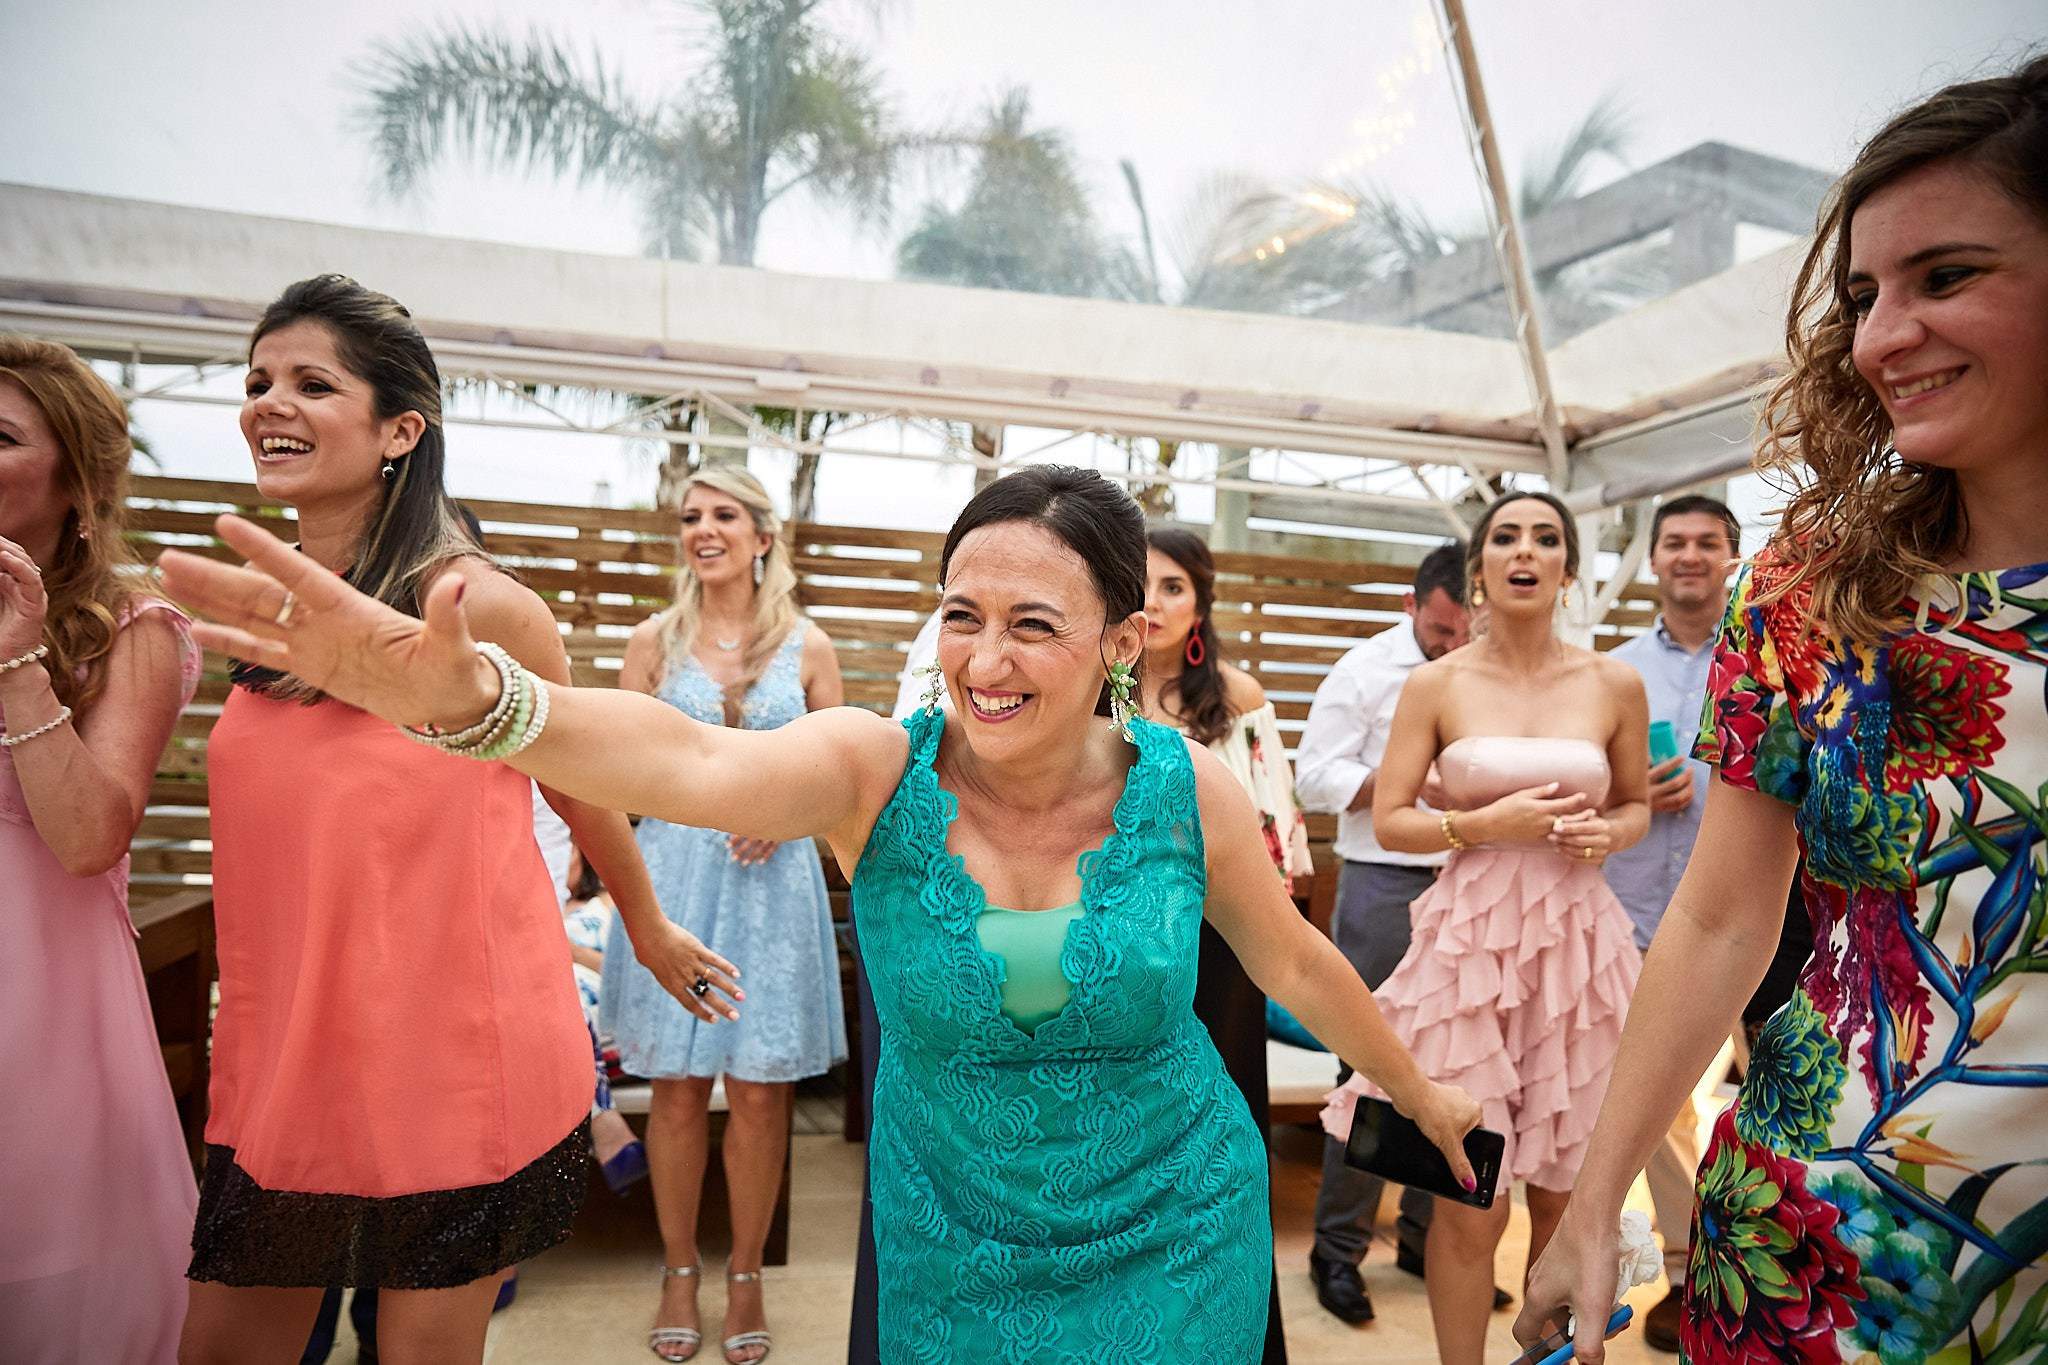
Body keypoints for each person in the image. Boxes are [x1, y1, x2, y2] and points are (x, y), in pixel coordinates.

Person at [159, 462, 1486, 1362]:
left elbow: (1295, 958)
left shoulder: (1184, 789)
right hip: (951, 1244)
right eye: (961, 614)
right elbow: (680, 760)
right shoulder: (874, 769)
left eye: (1034, 624)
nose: (984, 659)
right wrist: (482, 703)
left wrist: (1416, 1092)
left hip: (1177, 1223)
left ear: (1122, 644)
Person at [1516, 55, 2048, 1365]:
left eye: (1947, 276)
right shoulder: (1817, 591)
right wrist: (1596, 1201)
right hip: (1822, 1236)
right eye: (1866, 296)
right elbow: (1721, 910)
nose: (1880, 337)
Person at [177, 275, 727, 1365]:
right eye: (256, 381)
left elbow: (580, 783)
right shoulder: (264, 612)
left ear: (399, 429)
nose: (267, 403)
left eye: (310, 383)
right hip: (290, 1054)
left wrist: (650, 928)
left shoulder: (483, 606)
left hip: (447, 1054)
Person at [1320, 489, 1650, 1365]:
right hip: (1468, 953)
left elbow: (1635, 810)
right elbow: (1389, 819)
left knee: (1568, 1196)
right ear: (1480, 569)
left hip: (1579, 952)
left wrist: (1605, 832)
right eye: (1506, 536)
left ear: (1568, 570)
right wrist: (1482, 825)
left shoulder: (1614, 681)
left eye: (1545, 537)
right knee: (1469, 1189)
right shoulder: (1437, 683)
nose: (1525, 550)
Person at [605, 464, 846, 1364]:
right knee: (674, 1090)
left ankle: (745, 1273)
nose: (703, 528)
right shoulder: (650, 644)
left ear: (762, 534)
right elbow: (617, 771)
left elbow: (843, 779)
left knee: (758, 1094)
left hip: (774, 891)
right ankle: (678, 1269)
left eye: (723, 514)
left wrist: (784, 816)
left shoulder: (811, 647)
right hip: (674, 881)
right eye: (690, 516)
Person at [0, 337, 198, 1363]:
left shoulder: (130, 627)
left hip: (40, 1012)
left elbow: (88, 840)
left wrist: (17, 665)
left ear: (77, 478)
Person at [1135, 525, 1313, 1363]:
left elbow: (1277, 844)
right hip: (1121, 957)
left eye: (1173, 586)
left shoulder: (1234, 699)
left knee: (1220, 1140)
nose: (1154, 602)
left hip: (1221, 949)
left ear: (1200, 600)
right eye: (1138, 585)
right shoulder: (1090, 691)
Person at [1292, 540, 1474, 1324]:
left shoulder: (1494, 673)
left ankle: (1423, 1237)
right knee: (1367, 1072)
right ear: (1413, 606)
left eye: (1465, 632)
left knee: (1464, 1071)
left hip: (1474, 888)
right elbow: (1311, 774)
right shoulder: (1364, 670)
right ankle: (1337, 1250)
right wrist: (1397, 781)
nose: (1452, 645)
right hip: (1381, 885)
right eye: (1440, 631)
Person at [1597, 494, 1740, 1352]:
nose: (1690, 555)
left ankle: (1733, 1249)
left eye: (1706, 543)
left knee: (1736, 1099)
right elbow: (1581, 789)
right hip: (1629, 912)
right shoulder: (1611, 671)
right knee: (1654, 1096)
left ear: (1732, 555)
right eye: (1674, 542)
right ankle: (1690, 1266)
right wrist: (1629, 795)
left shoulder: (1772, 659)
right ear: (1652, 557)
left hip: (1760, 923)